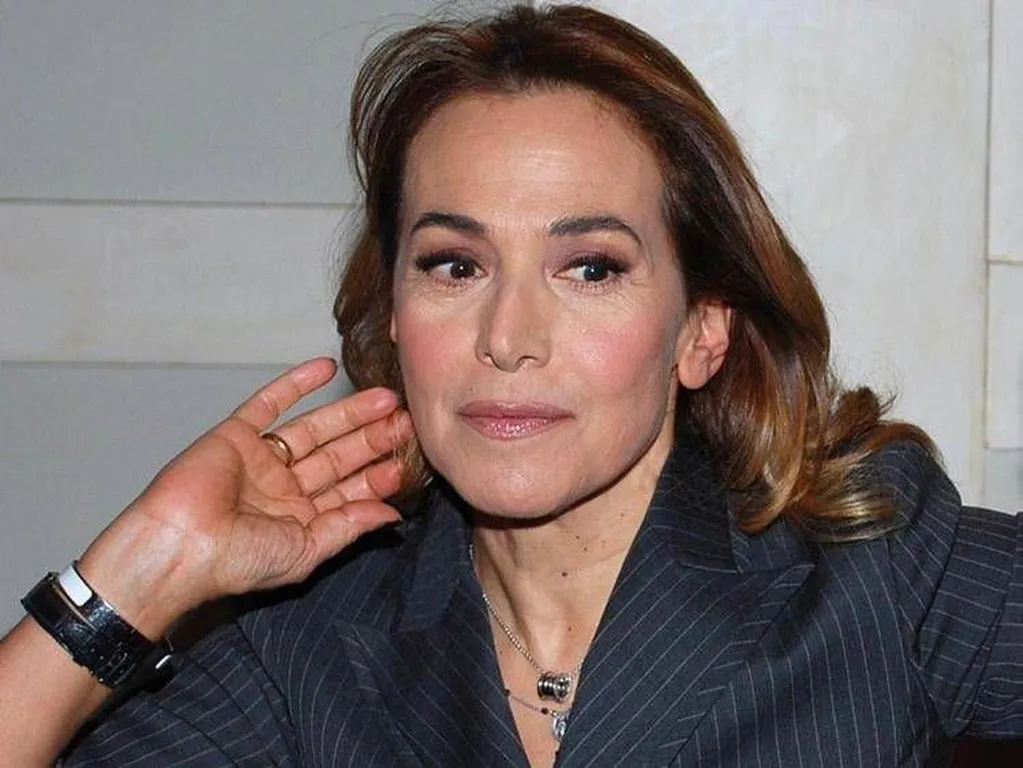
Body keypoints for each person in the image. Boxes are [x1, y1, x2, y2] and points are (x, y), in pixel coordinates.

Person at [0, 4, 1020, 766]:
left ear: (701, 331)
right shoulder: (304, 645)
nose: (508, 338)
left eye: (590, 269)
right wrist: (139, 574)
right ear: (394, 316)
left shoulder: (876, 571)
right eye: (456, 265)